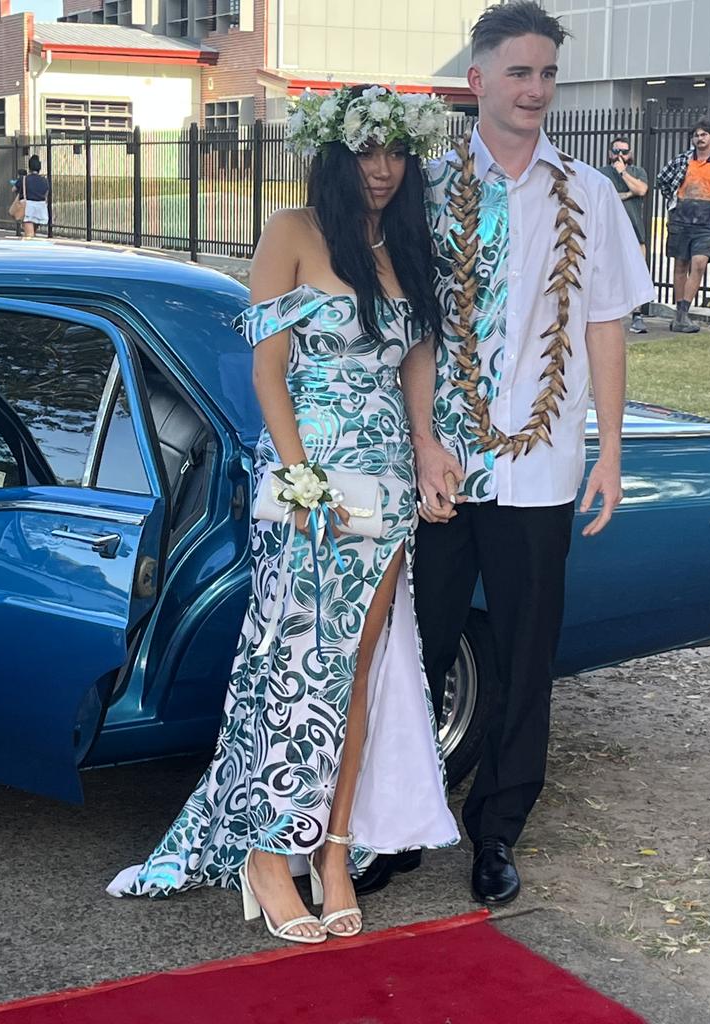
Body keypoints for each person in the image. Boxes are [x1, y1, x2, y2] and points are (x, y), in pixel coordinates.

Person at [107, 84, 459, 943]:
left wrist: (427, 447)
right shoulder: (291, 232)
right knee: (290, 666)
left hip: (384, 483)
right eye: (367, 150)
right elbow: (269, 375)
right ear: (336, 154)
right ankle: (268, 854)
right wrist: (300, 481)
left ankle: (334, 849)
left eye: (396, 152)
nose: (382, 168)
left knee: (359, 670)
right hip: (306, 479)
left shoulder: (409, 244)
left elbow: (417, 364)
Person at [369, 1, 654, 908]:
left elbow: (605, 323)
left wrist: (608, 453)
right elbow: (410, 324)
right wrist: (422, 444)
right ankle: (399, 825)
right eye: (519, 72)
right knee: (418, 648)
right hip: (444, 464)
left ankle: (496, 831)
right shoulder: (422, 185)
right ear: (477, 80)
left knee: (528, 653)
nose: (535, 90)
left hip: (540, 466)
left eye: (547, 75)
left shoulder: (590, 193)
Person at [657, 119, 710, 333]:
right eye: (696, 135)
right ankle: (679, 316)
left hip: (708, 220)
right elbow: (662, 178)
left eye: (703, 135)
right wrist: (672, 198)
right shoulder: (682, 160)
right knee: (680, 265)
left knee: (699, 264)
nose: (699, 139)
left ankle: (684, 312)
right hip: (681, 218)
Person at [599, 136, 650, 334]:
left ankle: (637, 316)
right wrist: (628, 194)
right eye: (616, 151)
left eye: (624, 151)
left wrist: (622, 173)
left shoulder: (638, 172)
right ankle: (608, 316)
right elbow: (604, 196)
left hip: (635, 232)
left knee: (636, 274)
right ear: (609, 153)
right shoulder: (601, 173)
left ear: (630, 154)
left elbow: (642, 189)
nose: (620, 155)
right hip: (610, 233)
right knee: (607, 275)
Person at [21, 155, 49, 238]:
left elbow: (14, 189)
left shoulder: (25, 179)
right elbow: (46, 193)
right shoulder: (44, 180)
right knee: (33, 233)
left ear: (29, 167)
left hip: (29, 208)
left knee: (29, 236)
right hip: (41, 208)